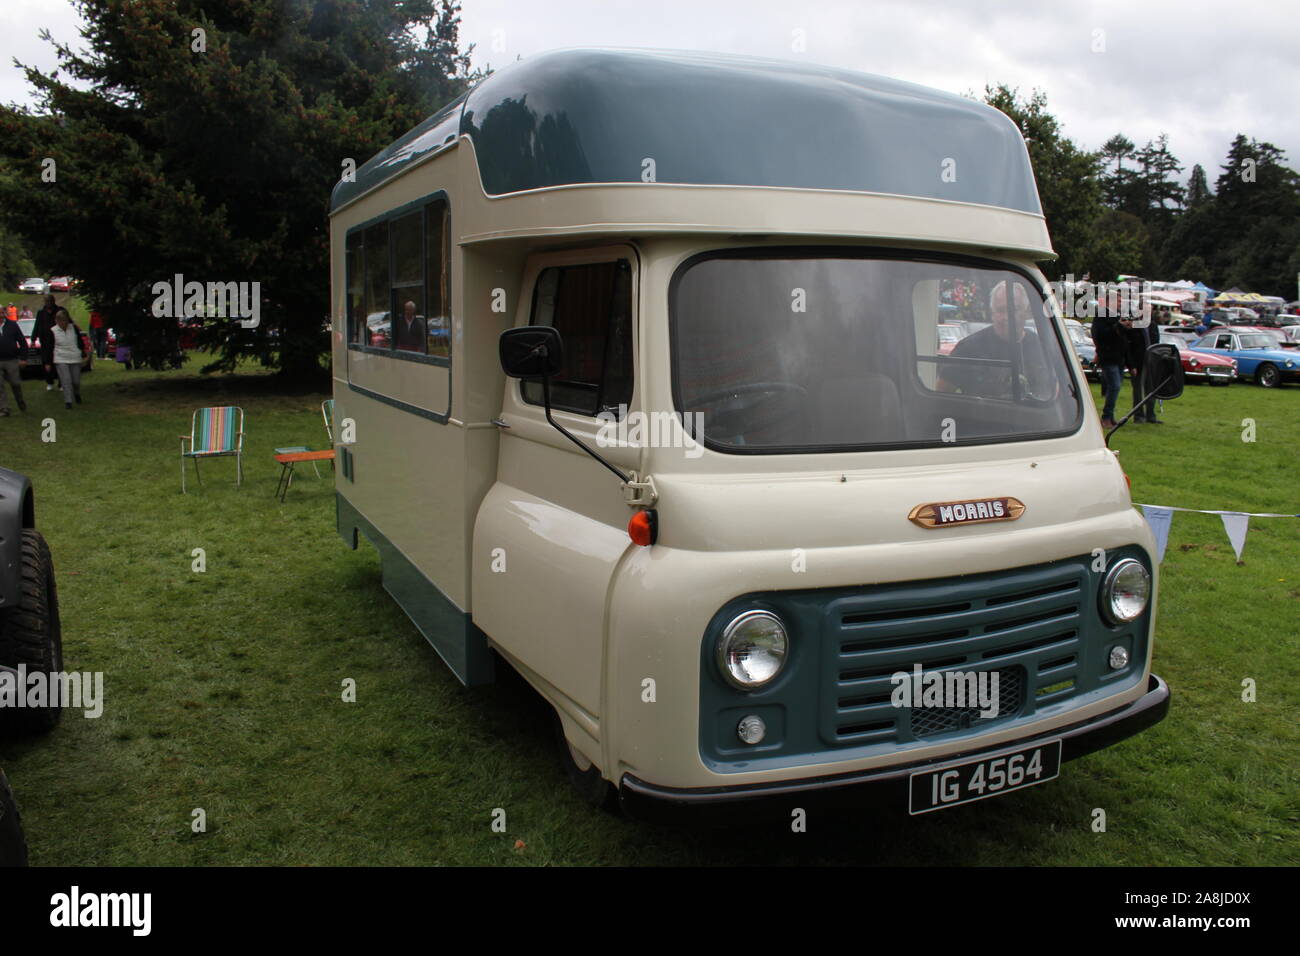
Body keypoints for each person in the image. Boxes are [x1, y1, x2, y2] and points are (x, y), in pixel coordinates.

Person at [938, 281, 1053, 400]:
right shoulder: (968, 348)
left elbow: (1057, 391)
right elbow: (942, 394)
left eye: (1014, 309)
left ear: (1026, 311)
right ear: (992, 313)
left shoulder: (1041, 347)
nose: (1007, 316)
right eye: (1001, 310)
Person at [1090, 306, 1128, 429]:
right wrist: (1118, 326)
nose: (1120, 302)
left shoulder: (1117, 314)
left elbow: (1122, 337)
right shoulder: (1101, 316)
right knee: (1114, 386)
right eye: (1117, 300)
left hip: (1119, 358)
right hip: (1108, 357)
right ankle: (1106, 417)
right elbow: (1100, 334)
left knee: (1115, 388)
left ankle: (1110, 417)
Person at [48, 307, 89, 409]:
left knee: (76, 381)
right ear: (56, 321)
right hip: (61, 358)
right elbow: (49, 347)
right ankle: (68, 401)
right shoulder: (53, 331)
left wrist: (83, 352)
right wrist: (48, 362)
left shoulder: (73, 328)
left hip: (75, 357)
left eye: (64, 320)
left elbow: (80, 342)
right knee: (66, 380)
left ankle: (76, 393)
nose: (62, 323)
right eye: (60, 321)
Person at [1124, 314, 1162, 424]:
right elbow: (1129, 348)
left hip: (1151, 361)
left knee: (1151, 389)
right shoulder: (1133, 325)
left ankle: (1151, 415)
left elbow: (1156, 342)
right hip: (1138, 363)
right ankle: (1139, 416)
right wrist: (1131, 365)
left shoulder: (1152, 325)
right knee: (1138, 390)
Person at [0, 309, 29, 416]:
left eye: (1, 313)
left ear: (4, 313)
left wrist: (23, 358)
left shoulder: (12, 325)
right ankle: (4, 408)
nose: (0, 315)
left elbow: (22, 342)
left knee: (15, 383)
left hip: (11, 359)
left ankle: (20, 401)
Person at [33, 294, 59, 391]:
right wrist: (33, 338)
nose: (48, 303)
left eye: (50, 301)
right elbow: (37, 325)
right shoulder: (41, 313)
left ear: (53, 301)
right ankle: (49, 382)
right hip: (45, 342)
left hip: (57, 341)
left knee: (58, 362)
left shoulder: (58, 311)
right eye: (46, 301)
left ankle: (61, 382)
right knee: (46, 363)